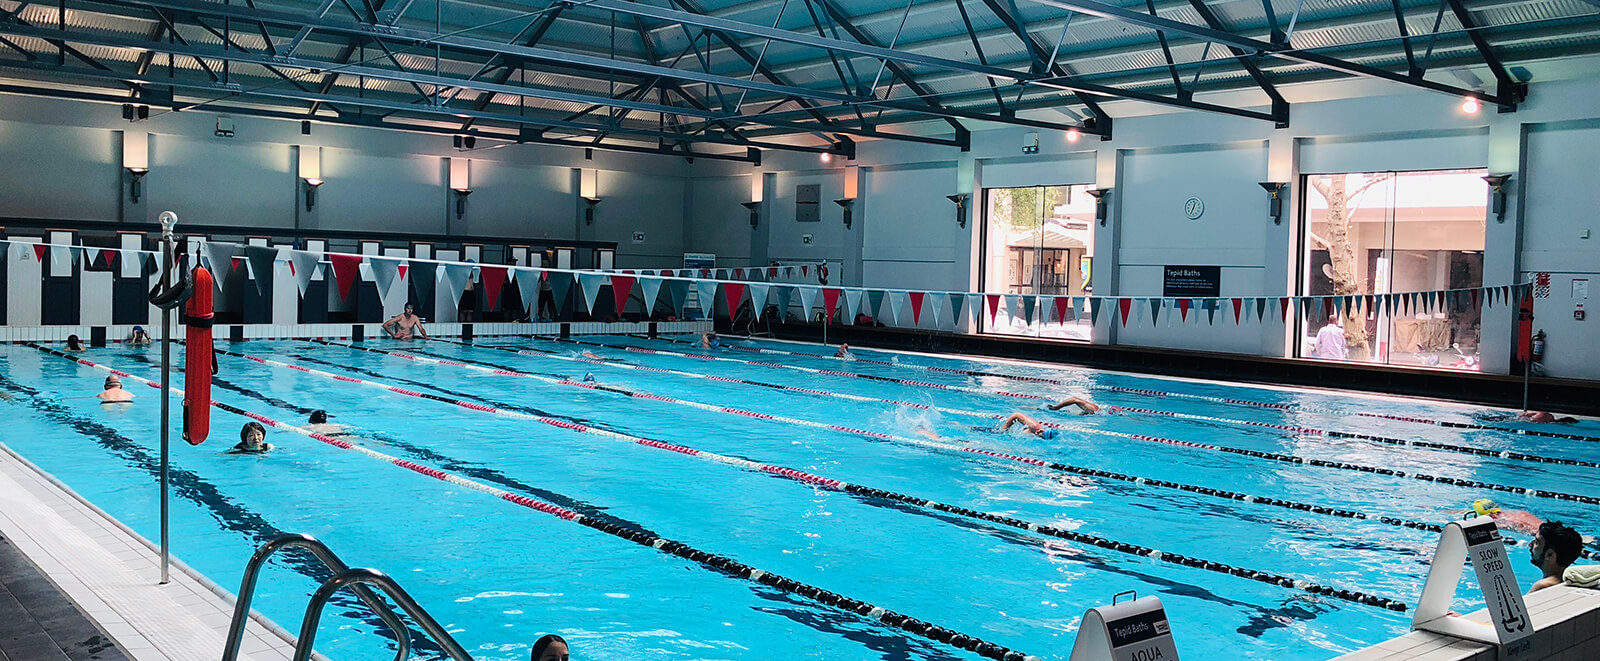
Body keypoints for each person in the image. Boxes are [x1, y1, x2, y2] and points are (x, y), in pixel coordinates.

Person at [1529, 521, 1584, 593]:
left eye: (1536, 542)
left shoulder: (1542, 586)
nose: (1530, 544)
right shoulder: (1573, 582)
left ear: (1550, 555)